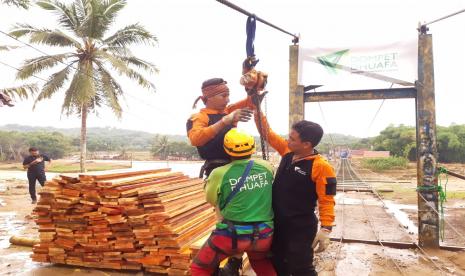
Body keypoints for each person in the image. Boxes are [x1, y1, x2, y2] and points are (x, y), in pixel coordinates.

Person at [255, 114, 336, 276]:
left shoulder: (321, 167)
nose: (287, 140)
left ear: (306, 144)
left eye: (292, 138)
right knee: (277, 263)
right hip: (277, 223)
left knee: (301, 267)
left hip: (300, 228)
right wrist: (256, 107)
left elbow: (327, 200)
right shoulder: (287, 152)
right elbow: (267, 133)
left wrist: (326, 229)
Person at [190, 128, 276, 276]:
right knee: (260, 262)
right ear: (252, 147)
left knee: (200, 268)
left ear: (226, 150)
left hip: (232, 235)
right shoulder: (266, 167)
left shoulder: (219, 173)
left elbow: (211, 200)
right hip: (264, 234)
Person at [187, 77, 255, 179]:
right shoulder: (200, 117)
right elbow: (195, 139)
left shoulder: (228, 111)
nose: (228, 99)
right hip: (216, 171)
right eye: (223, 96)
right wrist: (224, 121)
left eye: (228, 95)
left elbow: (251, 102)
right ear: (209, 98)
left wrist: (251, 81)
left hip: (236, 167)